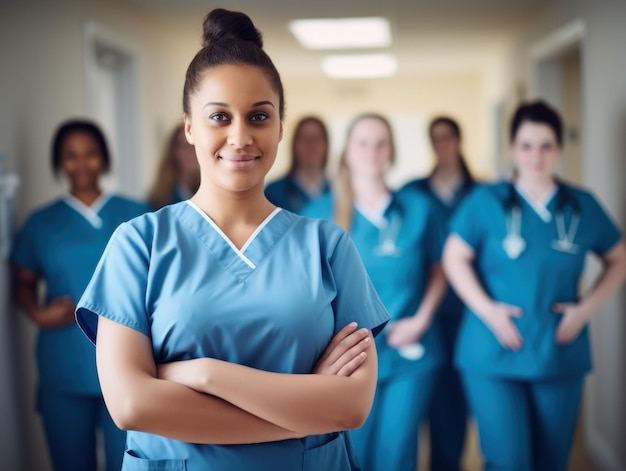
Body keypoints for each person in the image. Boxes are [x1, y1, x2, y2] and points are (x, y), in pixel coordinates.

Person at [75, 8, 389, 471]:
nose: (239, 137)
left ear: (281, 126)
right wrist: (304, 411)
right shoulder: (137, 245)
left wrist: (204, 374)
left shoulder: (328, 246)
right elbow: (132, 406)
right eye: (219, 116)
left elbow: (351, 406)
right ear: (189, 129)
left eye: (259, 116)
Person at [442, 100, 626, 471]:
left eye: (546, 146)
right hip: (491, 351)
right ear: (513, 148)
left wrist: (585, 309)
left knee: (551, 461)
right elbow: (453, 258)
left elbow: (618, 258)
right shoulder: (486, 201)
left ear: (559, 148)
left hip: (558, 349)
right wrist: (489, 312)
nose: (536, 157)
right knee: (508, 461)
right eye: (526, 145)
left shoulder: (582, 204)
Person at [303, 113, 447, 471]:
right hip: (348, 358)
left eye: (381, 142)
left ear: (392, 152)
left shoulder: (418, 208)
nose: (372, 151)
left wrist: (421, 319)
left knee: (397, 454)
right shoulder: (318, 215)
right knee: (355, 455)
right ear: (347, 152)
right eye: (363, 142)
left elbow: (440, 268)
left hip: (409, 352)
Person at [10, 119, 150, 471]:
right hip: (65, 361)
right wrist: (38, 314)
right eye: (70, 156)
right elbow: (22, 280)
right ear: (59, 163)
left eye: (90, 154)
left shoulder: (137, 214)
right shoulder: (42, 222)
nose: (82, 164)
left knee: (130, 461)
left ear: (103, 159)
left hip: (129, 359)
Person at [400, 116, 474, 471]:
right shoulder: (414, 194)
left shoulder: (481, 194)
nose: (442, 144)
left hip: (466, 316)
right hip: (423, 315)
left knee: (453, 408)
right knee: (415, 410)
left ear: (459, 141)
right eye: (435, 138)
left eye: (447, 137)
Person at [264, 115, 331, 213]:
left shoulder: (338, 192)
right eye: (304, 138)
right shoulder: (274, 192)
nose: (311, 145)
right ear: (294, 145)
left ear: (326, 145)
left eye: (316, 138)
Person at [147, 122, 200, 210]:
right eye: (184, 145)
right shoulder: (162, 198)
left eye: (194, 145)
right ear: (173, 151)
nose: (191, 151)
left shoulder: (210, 193)